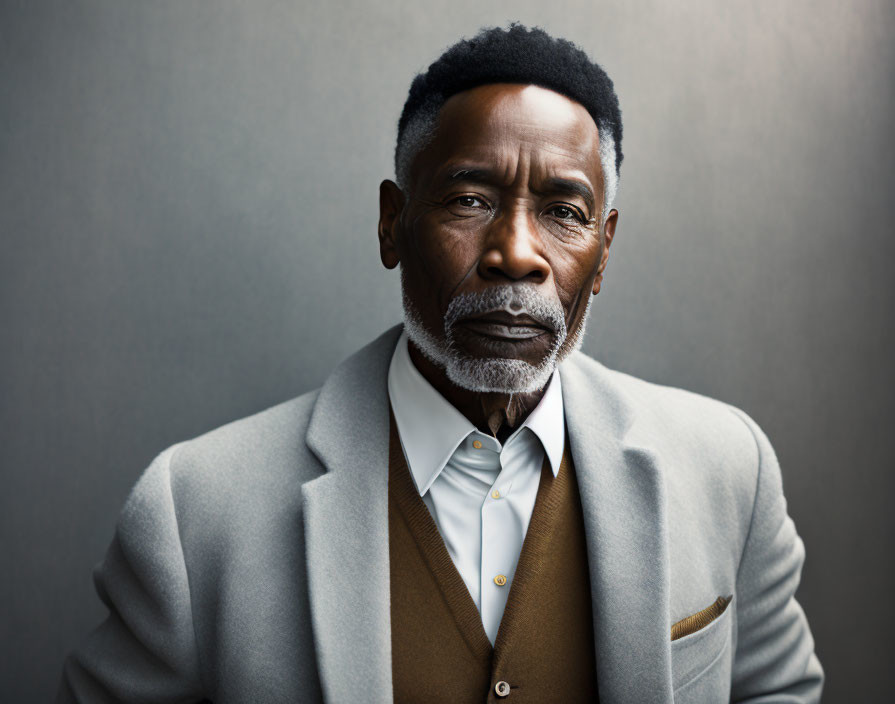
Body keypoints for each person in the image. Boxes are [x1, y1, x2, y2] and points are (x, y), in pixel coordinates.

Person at [58, 24, 823, 703]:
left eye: (563, 211)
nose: (516, 255)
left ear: (605, 247)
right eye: (469, 199)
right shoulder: (195, 516)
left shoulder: (728, 469)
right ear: (393, 223)